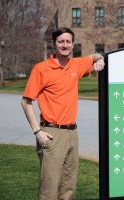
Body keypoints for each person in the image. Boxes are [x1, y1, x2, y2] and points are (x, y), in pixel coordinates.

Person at [21, 27, 105, 200]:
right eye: (61, 41)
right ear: (54, 44)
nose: (65, 45)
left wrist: (100, 59)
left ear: (73, 44)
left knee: (69, 187)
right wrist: (37, 132)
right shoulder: (41, 69)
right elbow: (26, 102)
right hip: (51, 133)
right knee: (49, 189)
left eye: (68, 41)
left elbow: (94, 56)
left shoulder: (76, 65)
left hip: (72, 133)